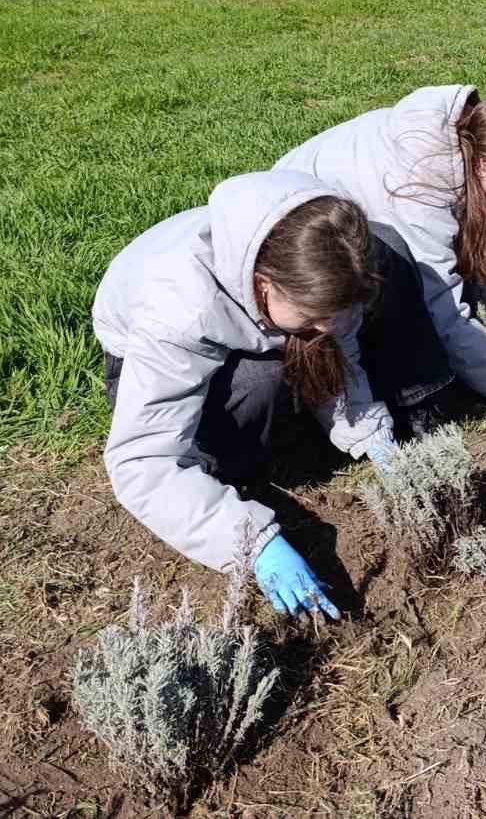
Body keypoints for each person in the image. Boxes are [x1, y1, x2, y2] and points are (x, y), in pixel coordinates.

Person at [94, 170, 454, 619]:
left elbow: (341, 353)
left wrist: (371, 435)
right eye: (312, 317)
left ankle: (282, 425)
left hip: (255, 322)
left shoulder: (327, 254)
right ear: (264, 285)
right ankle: (226, 467)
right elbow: (142, 462)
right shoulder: (179, 309)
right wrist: (250, 542)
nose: (329, 328)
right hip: (144, 357)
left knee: (379, 257)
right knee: (259, 385)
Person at [275, 85, 486, 421]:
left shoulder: (451, 146)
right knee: (401, 287)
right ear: (485, 164)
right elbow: (442, 302)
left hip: (323, 206)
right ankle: (406, 398)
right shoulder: (418, 188)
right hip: (293, 249)